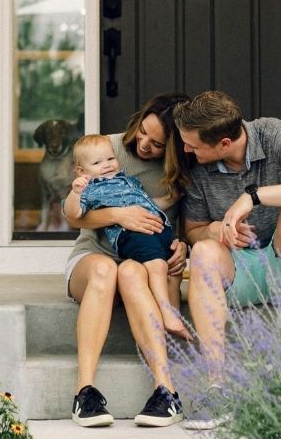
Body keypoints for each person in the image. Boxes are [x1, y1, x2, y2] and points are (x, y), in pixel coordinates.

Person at [173, 90, 281, 426]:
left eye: (192, 144)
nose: (186, 150)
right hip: (240, 271)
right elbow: (193, 231)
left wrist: (254, 197)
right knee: (204, 250)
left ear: (223, 143)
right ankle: (217, 387)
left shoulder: (274, 134)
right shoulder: (197, 168)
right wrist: (216, 230)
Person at [64, 93, 190, 429]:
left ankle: (166, 392)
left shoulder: (179, 170)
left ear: (176, 147)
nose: (144, 144)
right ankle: (84, 392)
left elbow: (184, 225)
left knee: (131, 270)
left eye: (158, 143)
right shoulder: (107, 148)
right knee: (108, 268)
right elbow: (75, 217)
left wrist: (183, 246)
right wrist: (120, 214)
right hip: (94, 259)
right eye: (143, 132)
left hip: (142, 260)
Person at [63, 133, 188, 340]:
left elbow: (150, 205)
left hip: (157, 230)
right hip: (131, 234)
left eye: (110, 159)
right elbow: (73, 214)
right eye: (97, 162)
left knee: (170, 269)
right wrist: (75, 193)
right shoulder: (91, 189)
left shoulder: (128, 181)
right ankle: (168, 314)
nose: (107, 165)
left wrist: (172, 198)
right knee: (157, 266)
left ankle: (169, 346)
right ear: (82, 171)